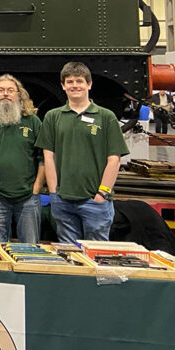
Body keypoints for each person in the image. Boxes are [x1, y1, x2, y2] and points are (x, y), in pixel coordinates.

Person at [37, 61, 129, 242]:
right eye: (70, 82)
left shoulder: (106, 117)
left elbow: (114, 159)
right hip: (63, 200)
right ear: (63, 86)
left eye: (79, 81)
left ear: (89, 84)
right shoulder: (52, 117)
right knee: (69, 255)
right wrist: (54, 193)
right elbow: (49, 157)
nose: (75, 86)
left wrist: (102, 193)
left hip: (95, 201)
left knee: (98, 256)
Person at [0, 75, 44, 243]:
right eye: (1, 90)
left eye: (10, 90)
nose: (6, 94)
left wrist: (36, 188)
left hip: (28, 196)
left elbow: (44, 158)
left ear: (19, 95)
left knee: (31, 248)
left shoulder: (33, 121)